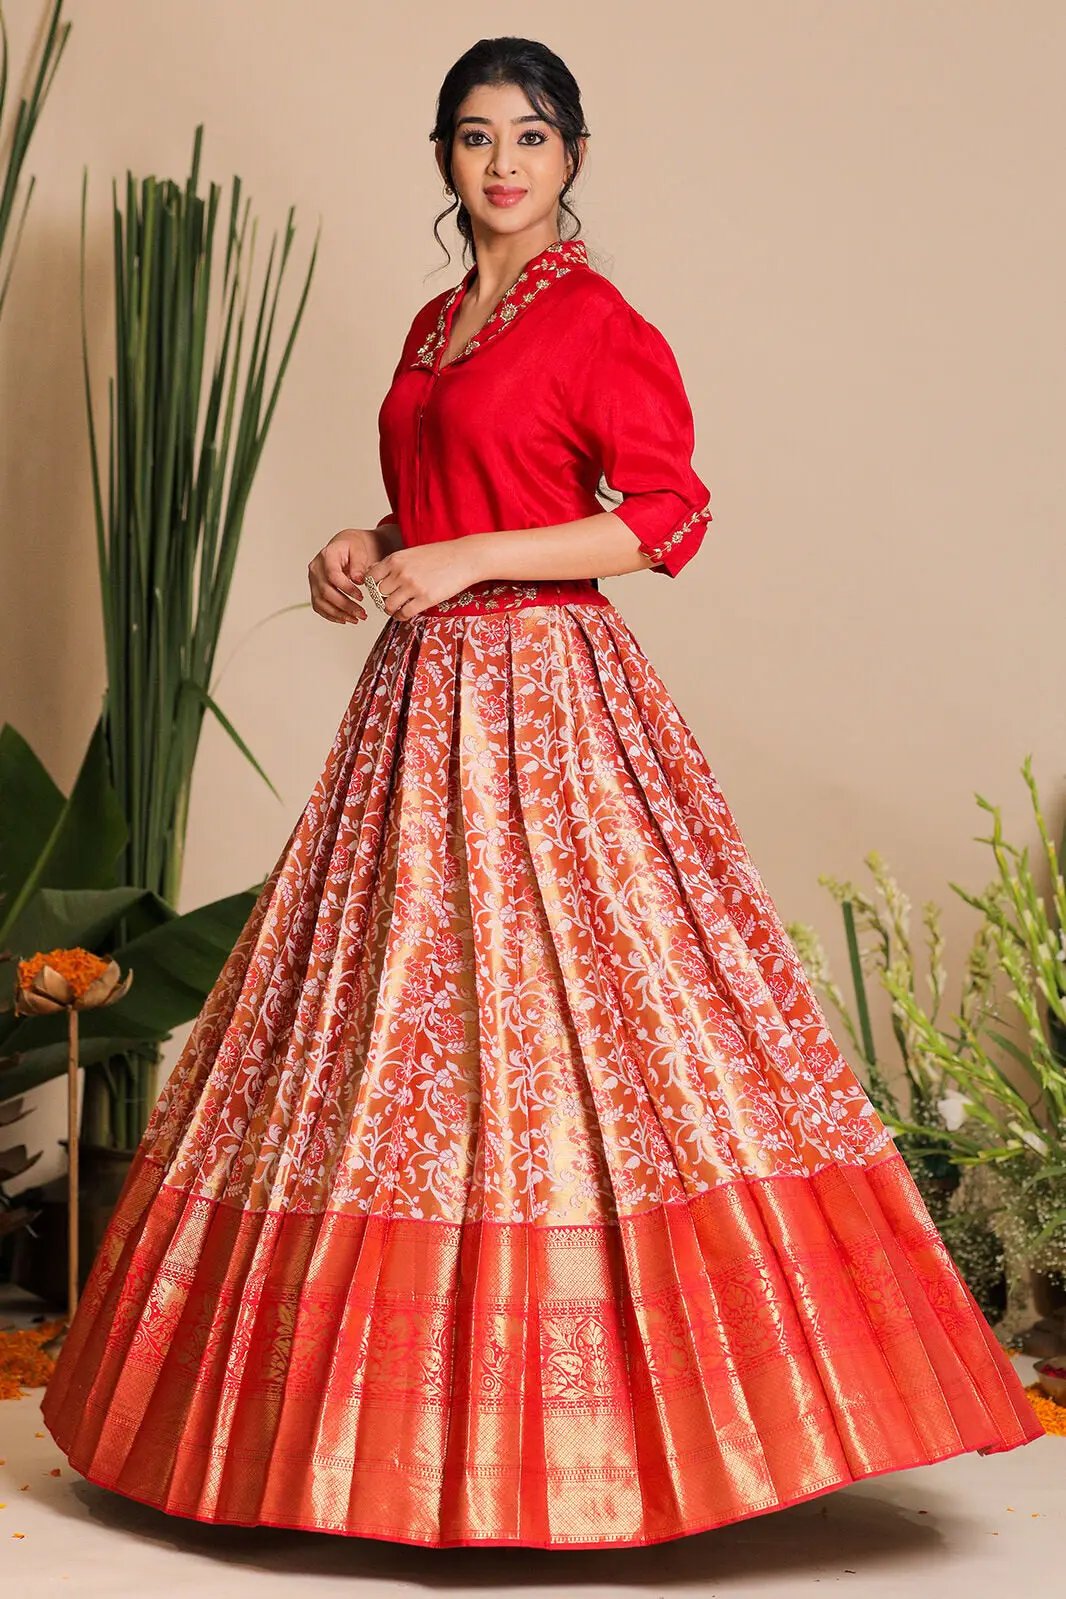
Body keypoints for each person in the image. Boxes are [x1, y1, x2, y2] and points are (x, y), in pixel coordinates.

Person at [41, 36, 1044, 1551]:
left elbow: (660, 516)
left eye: (527, 135)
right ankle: (359, 1438)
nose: (499, 161)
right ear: (442, 159)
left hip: (548, 706)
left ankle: (635, 1434)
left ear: (573, 154)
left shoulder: (598, 321)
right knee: (399, 1031)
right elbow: (468, 486)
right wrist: (371, 538)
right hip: (418, 704)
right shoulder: (441, 320)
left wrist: (465, 558)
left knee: (584, 1023)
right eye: (470, 136)